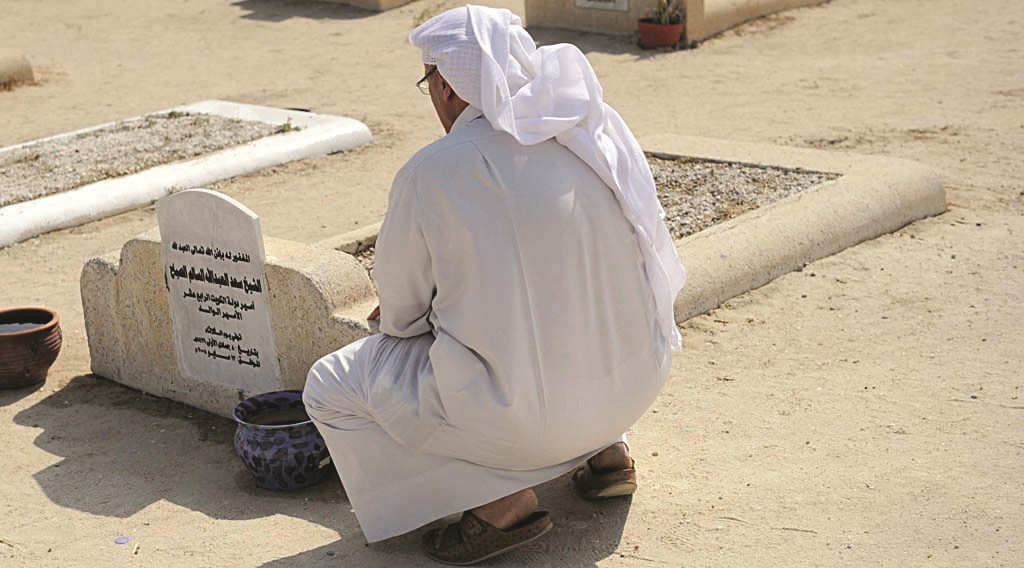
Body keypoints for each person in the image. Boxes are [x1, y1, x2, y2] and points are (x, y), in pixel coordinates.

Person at [303, 5, 685, 564]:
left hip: (528, 423)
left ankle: (499, 502)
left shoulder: (434, 170)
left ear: (447, 86)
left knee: (331, 384)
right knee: (579, 309)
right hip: (636, 388)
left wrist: (420, 312)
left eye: (427, 83)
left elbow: (402, 315)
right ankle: (607, 453)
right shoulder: (589, 136)